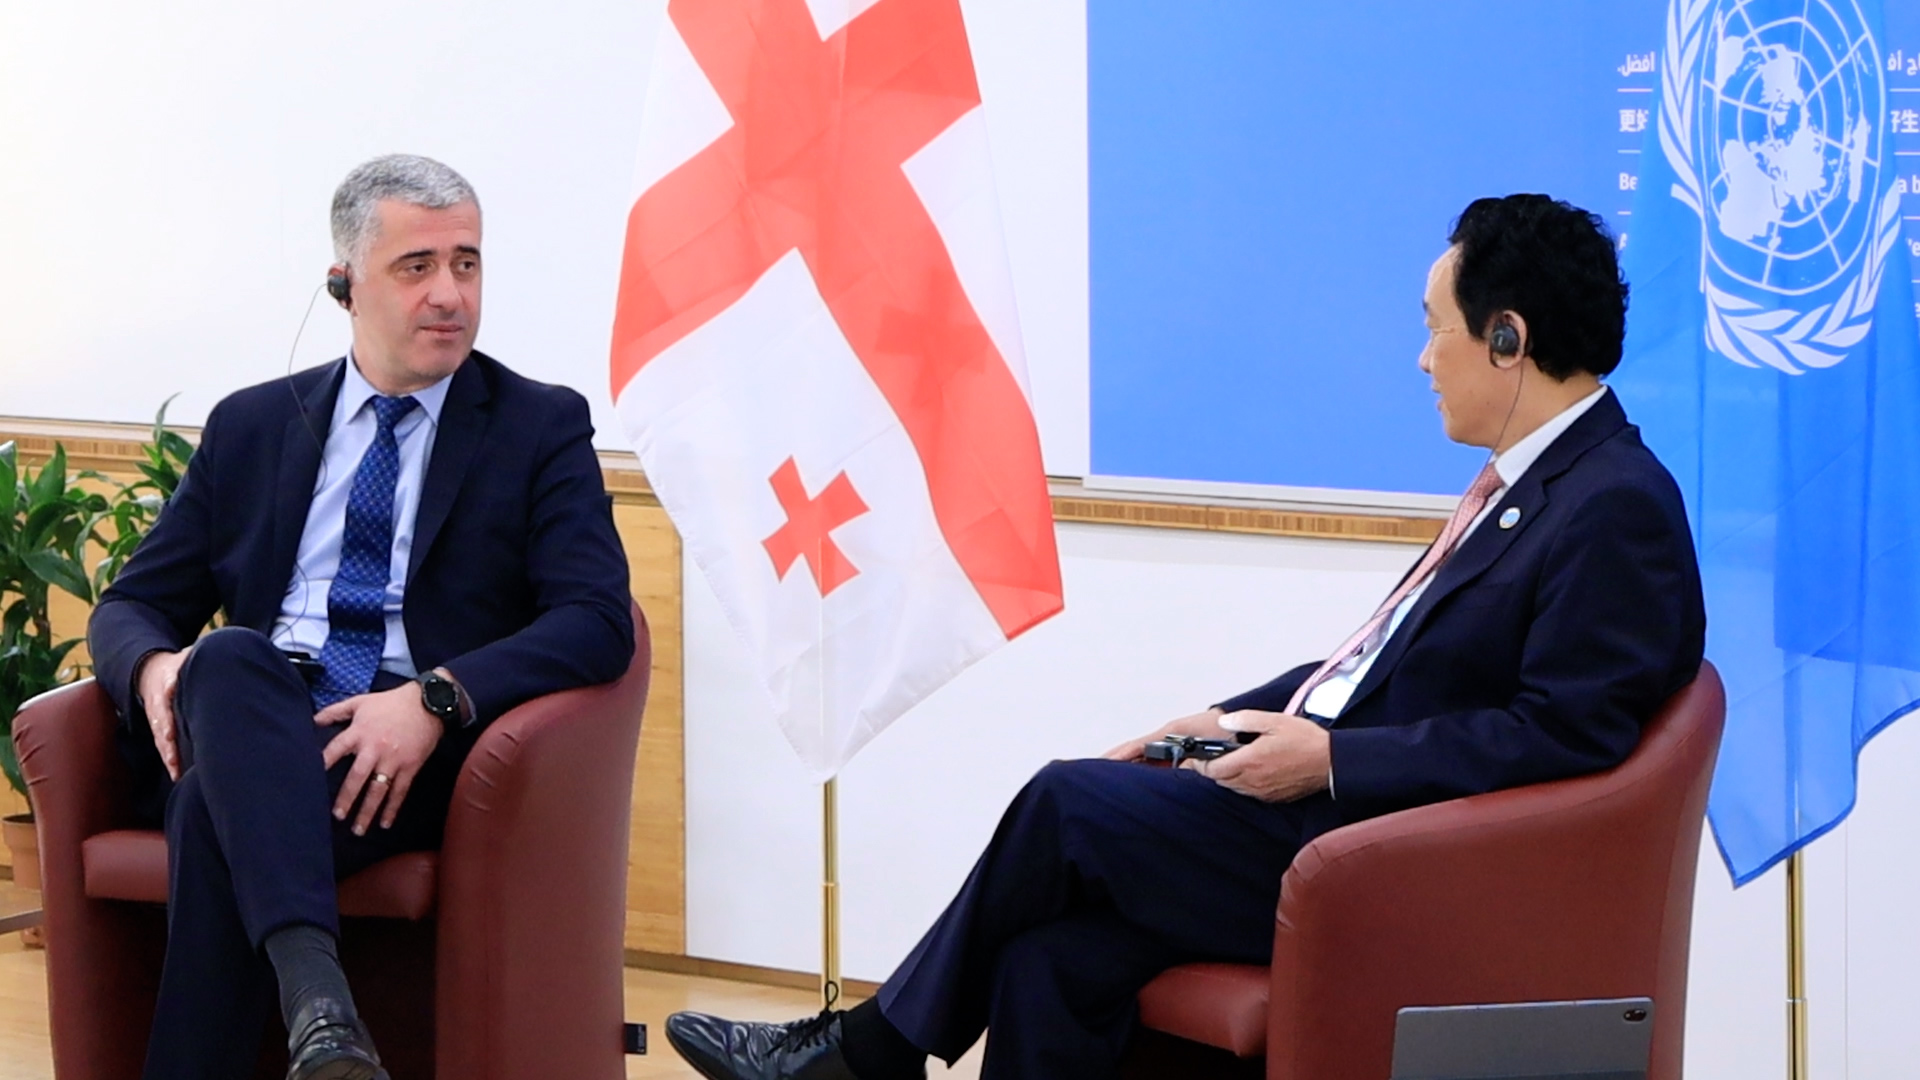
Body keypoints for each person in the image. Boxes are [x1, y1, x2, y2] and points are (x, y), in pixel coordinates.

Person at [663, 194, 1707, 1080]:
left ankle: (866, 1056)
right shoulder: (1533, 486)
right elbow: (1383, 665)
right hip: (1345, 825)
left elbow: (1564, 737)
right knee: (1049, 962)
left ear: (1508, 338)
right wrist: (1226, 718)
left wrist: (1332, 762)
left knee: (1068, 803)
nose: (1422, 358)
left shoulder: (1614, 504)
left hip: (1395, 861)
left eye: (1437, 329)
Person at [88, 154, 634, 1080]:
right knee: (229, 661)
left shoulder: (537, 426)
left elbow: (596, 620)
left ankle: (319, 1010)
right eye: (416, 267)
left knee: (210, 808)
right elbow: (135, 603)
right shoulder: (253, 425)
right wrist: (152, 670)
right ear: (344, 286)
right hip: (256, 709)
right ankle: (323, 1014)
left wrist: (434, 698)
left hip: (399, 757)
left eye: (466, 263)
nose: (450, 294)